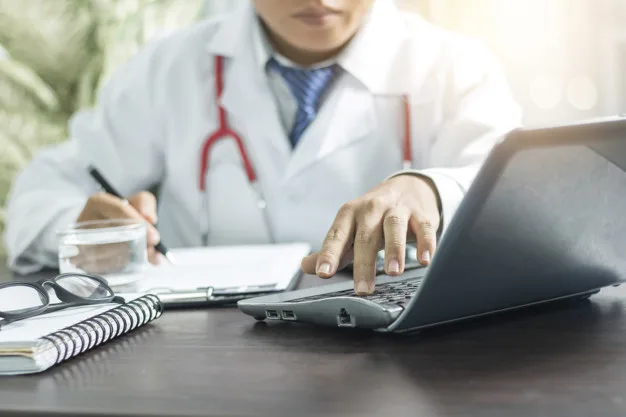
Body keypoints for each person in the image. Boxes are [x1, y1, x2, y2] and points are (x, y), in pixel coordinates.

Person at [3, 0, 521, 295]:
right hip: (204, 359)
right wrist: (79, 229)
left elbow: (521, 204)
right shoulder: (169, 68)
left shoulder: (455, 67)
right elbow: (40, 193)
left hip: (399, 350)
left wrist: (430, 188)